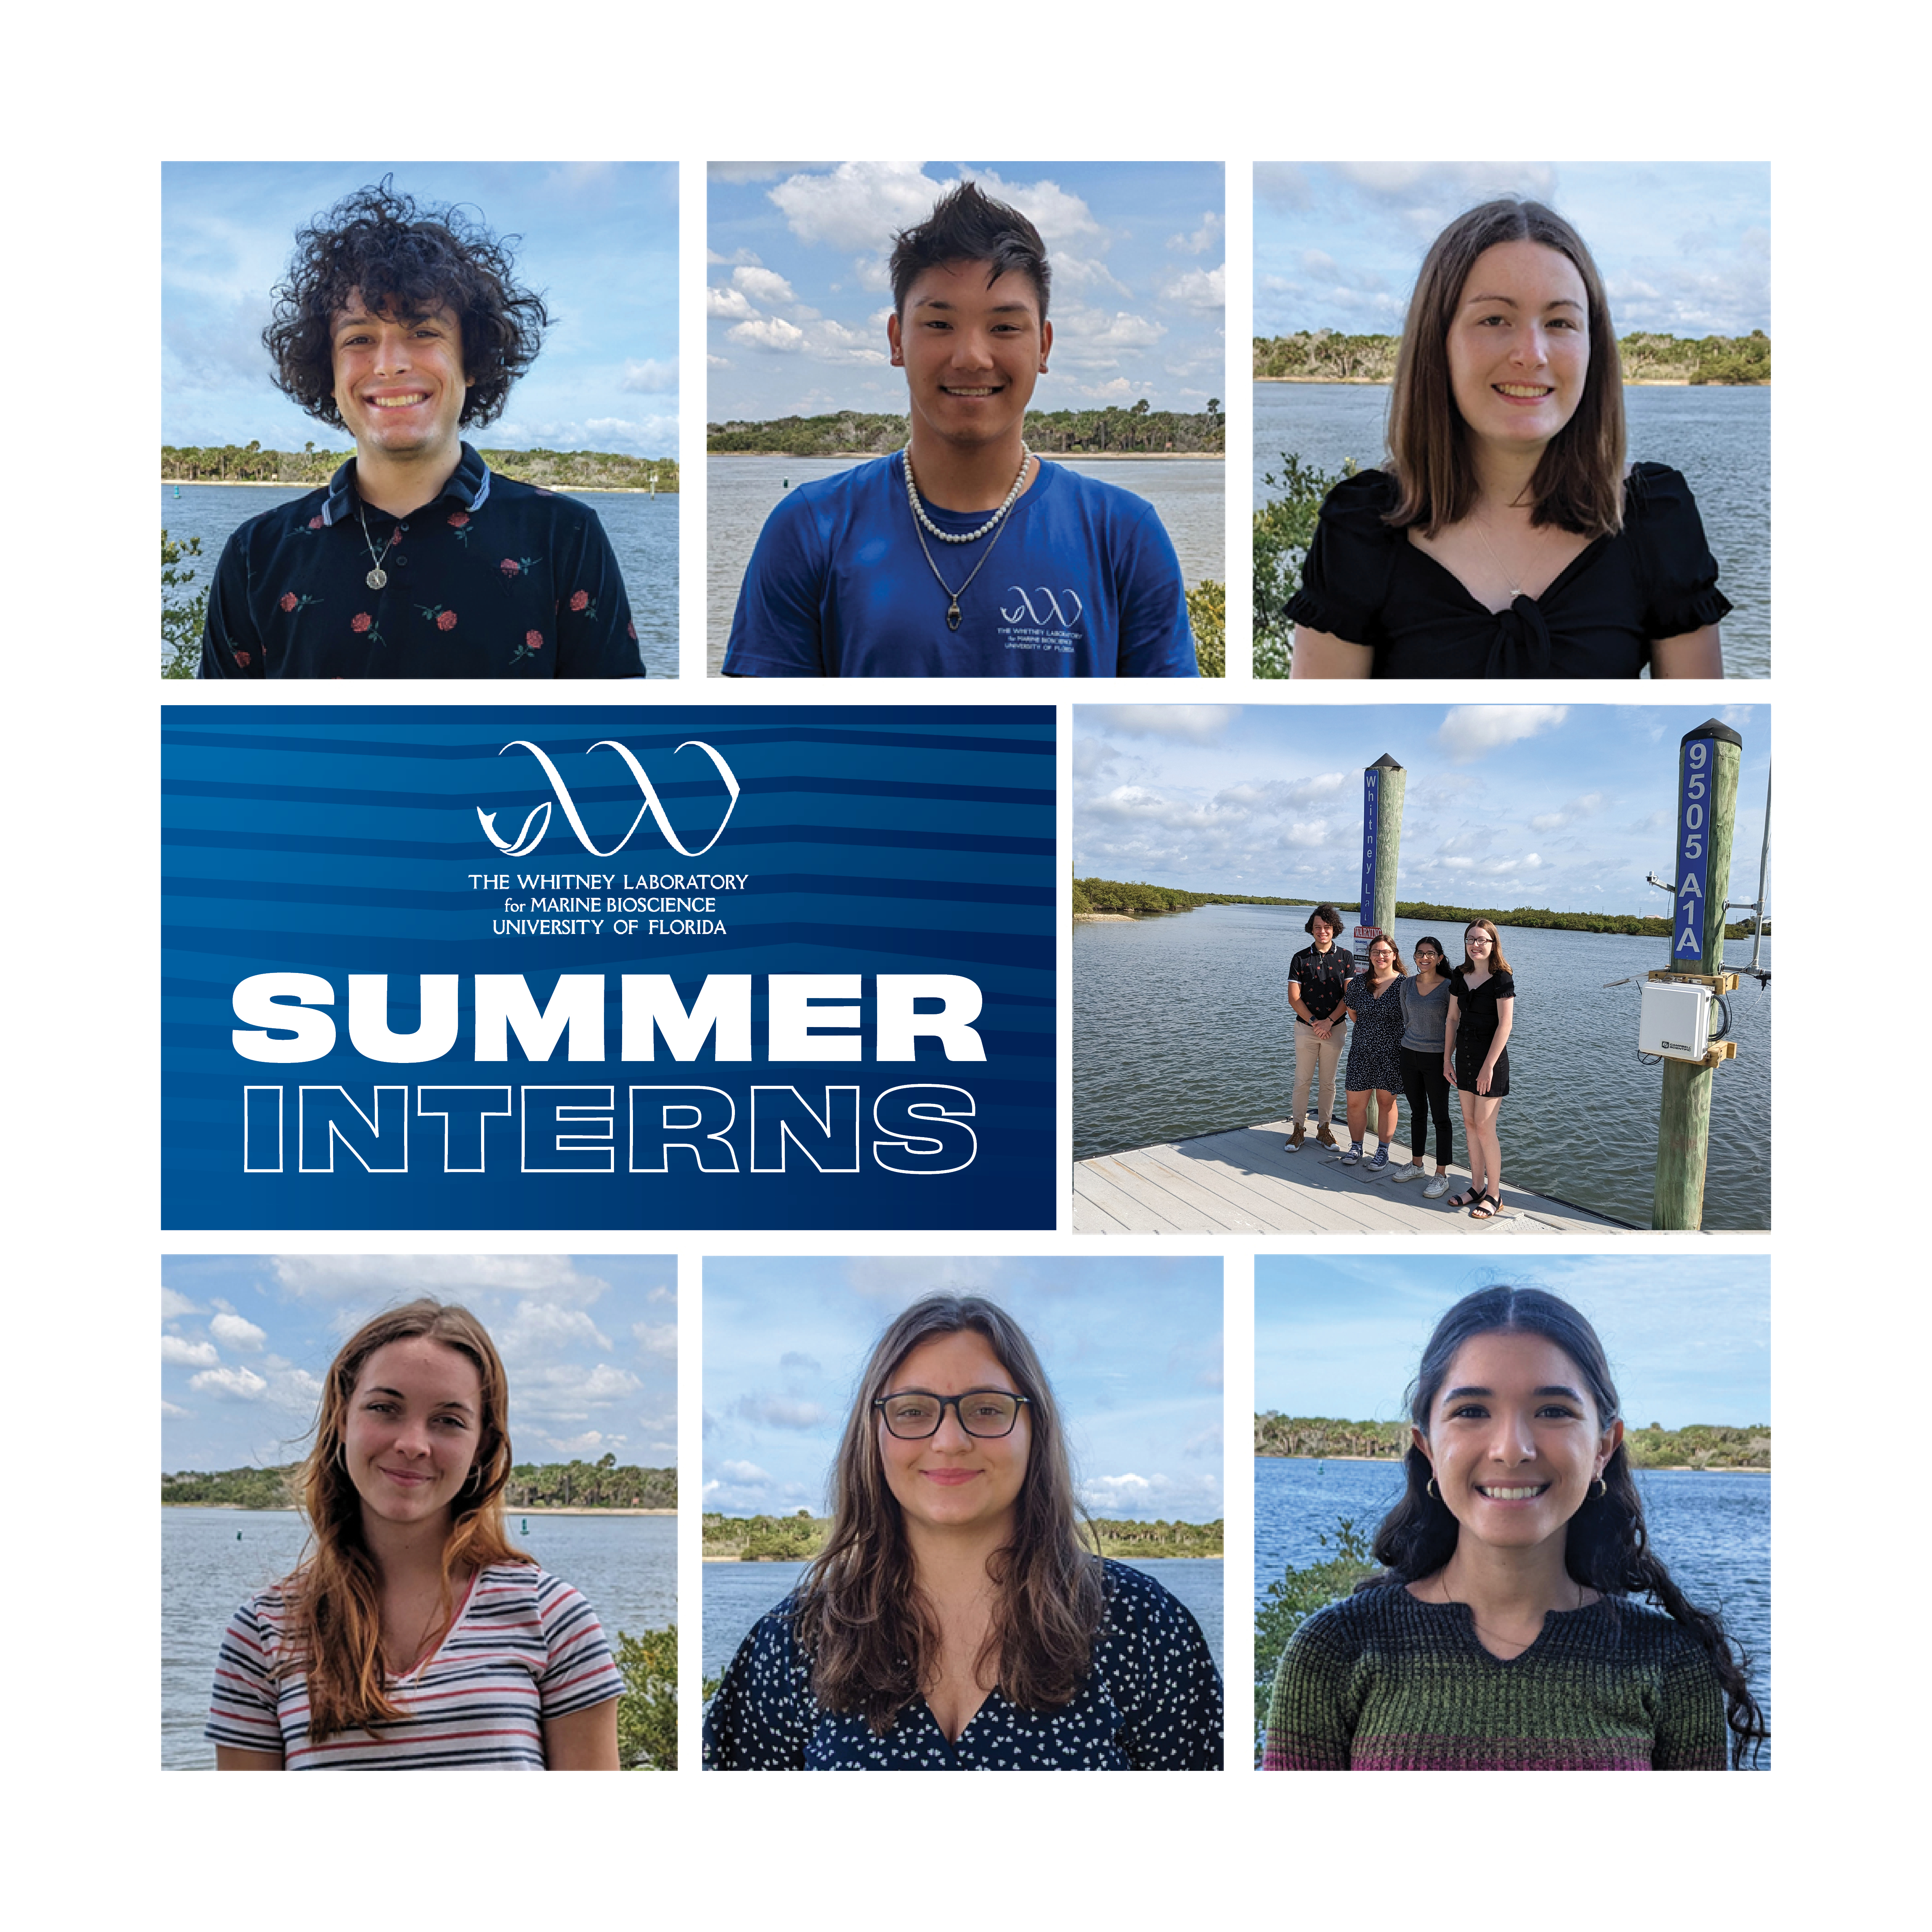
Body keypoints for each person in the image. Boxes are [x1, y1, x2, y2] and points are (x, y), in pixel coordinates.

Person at [703, 1293, 1223, 1769]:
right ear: (874, 1435)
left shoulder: (1142, 1626)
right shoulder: (799, 1639)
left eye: (986, 1409)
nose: (950, 1440)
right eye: (913, 1411)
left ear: (1033, 1430)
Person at [1263, 1285, 1767, 1770]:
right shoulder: (1336, 1650)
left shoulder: (1669, 1662)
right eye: (1472, 1411)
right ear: (1428, 1448)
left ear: (1603, 1447)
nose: (1511, 1448)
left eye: (1552, 1411)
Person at [721, 182, 1199, 678]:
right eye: (939, 325)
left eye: (1004, 327)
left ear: (1044, 346)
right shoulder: (809, 529)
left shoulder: (1123, 536)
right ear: (896, 340)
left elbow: (1161, 740)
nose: (971, 357)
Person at [199, 180, 644, 679]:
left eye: (423, 332)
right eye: (360, 338)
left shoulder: (566, 536)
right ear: (326, 373)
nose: (389, 364)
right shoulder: (256, 553)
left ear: (471, 359)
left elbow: (607, 742)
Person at [1287, 198, 1730, 680]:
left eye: (1560, 322)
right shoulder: (1360, 528)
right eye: (1494, 319)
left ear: (1592, 349)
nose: (1531, 354)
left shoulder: (1657, 517)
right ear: (1439, 343)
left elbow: (1698, 720)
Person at [205, 1301, 622, 1769]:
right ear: (342, 1419)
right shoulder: (261, 1633)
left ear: (481, 1444)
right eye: (385, 1408)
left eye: (448, 1420)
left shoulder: (554, 1620)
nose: (413, 1443)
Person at [1443, 918, 1515, 1219]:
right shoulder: (1461, 975)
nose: (1475, 945)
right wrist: (1447, 1059)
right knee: (1470, 1125)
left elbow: (1506, 1025)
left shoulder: (1502, 978)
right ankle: (1476, 1187)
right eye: (1471, 939)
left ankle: (1495, 1194)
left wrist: (1488, 1068)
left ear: (1493, 943)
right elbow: (1452, 1020)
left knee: (1486, 1127)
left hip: (1491, 1063)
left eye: (1482, 940)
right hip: (1465, 1059)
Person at [1391, 934, 1456, 1196]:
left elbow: (1453, 1024)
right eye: (1420, 953)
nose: (1425, 958)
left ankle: (1441, 1174)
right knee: (1417, 1112)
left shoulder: (1450, 987)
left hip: (1437, 1058)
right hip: (1409, 1054)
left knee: (1441, 1116)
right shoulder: (1406, 985)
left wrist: (1447, 1059)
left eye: (1430, 954)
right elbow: (1407, 1019)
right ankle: (1417, 1164)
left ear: (1440, 958)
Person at [1284, 904, 1352, 1152]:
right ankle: (1298, 1130)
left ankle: (1324, 1128)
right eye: (1318, 927)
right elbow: (1294, 998)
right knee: (1302, 1080)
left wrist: (1329, 1022)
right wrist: (1315, 1022)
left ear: (1335, 929)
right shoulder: (1300, 958)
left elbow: (1349, 996)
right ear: (1311, 930)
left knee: (1329, 1082)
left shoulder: (1346, 957)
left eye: (1327, 927)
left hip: (1335, 1029)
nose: (1322, 932)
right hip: (1306, 1029)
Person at [1338, 932, 1406, 1174]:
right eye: (1376, 952)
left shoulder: (1405, 984)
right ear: (1369, 956)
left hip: (1392, 1052)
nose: (1380, 956)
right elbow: (1353, 1013)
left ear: (1394, 955)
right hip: (1362, 1050)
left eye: (1386, 952)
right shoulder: (1358, 983)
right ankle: (1357, 1147)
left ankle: (1383, 1150)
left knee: (1386, 1103)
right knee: (1355, 1102)